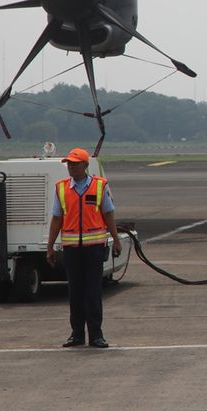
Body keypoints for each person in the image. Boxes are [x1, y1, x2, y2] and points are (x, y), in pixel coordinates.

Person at [46, 147, 121, 348]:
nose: (71, 167)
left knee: (93, 292)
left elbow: (108, 214)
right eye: (69, 163)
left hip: (94, 248)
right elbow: (57, 218)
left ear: (86, 165)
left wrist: (116, 239)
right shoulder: (61, 188)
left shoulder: (99, 186)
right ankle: (77, 334)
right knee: (75, 291)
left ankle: (96, 334)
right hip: (71, 249)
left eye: (75, 163)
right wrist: (50, 246)